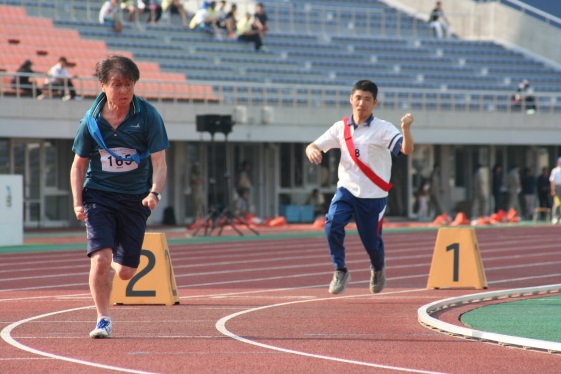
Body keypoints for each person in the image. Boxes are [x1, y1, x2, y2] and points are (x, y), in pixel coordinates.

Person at [70, 55, 170, 338]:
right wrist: (78, 201)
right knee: (100, 260)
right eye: (117, 85)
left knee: (125, 271)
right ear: (103, 85)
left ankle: (112, 271)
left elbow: (160, 162)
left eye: (129, 84)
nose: (124, 91)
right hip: (99, 195)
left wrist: (154, 193)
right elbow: (78, 166)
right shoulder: (90, 122)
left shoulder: (148, 116)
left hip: (135, 198)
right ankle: (103, 319)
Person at [305, 79, 414, 295]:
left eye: (367, 99)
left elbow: (406, 150)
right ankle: (340, 269)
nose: (361, 103)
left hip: (373, 195)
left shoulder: (383, 129)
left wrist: (406, 129)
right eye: (358, 98)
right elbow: (315, 145)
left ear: (375, 102)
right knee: (332, 224)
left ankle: (377, 268)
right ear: (351, 99)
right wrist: (311, 150)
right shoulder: (340, 127)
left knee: (371, 243)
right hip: (346, 190)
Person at [549, 157, 561, 224]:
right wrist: (553, 190)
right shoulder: (555, 170)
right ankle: (554, 217)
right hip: (557, 187)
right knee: (556, 203)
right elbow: (552, 181)